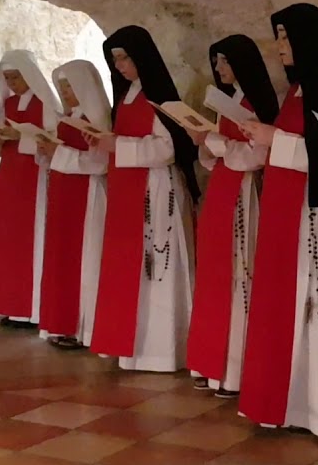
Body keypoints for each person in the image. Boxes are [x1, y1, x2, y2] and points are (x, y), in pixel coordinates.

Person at [238, 3, 318, 439]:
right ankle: (281, 400)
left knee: (313, 309)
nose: (279, 47)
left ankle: (317, 410)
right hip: (282, 209)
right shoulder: (296, 91)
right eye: (277, 37)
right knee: (280, 306)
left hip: (314, 212)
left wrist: (277, 139)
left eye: (287, 38)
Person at [86, 25, 200, 372]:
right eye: (114, 59)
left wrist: (117, 145)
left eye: (124, 57)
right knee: (132, 272)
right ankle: (133, 346)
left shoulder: (157, 95)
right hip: (130, 193)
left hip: (157, 191)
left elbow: (168, 149)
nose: (118, 65)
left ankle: (163, 352)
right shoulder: (126, 96)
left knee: (158, 270)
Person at [185, 35, 280, 398]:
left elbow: (257, 154)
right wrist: (205, 142)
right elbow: (217, 155)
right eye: (217, 62)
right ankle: (212, 364)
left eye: (225, 61)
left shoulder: (254, 102)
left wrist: (214, 142)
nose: (220, 68)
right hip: (222, 191)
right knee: (216, 274)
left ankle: (235, 370)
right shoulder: (227, 104)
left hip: (244, 193)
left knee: (240, 275)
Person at [37, 59, 112, 350]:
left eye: (69, 86)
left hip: (87, 193)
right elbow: (55, 157)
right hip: (63, 195)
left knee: (85, 258)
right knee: (61, 258)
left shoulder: (98, 118)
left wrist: (60, 152)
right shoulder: (66, 118)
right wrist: (47, 150)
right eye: (61, 87)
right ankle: (61, 323)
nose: (65, 92)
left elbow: (99, 163)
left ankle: (83, 326)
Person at [0, 50, 61, 330]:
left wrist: (24, 137)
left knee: (32, 235)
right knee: (7, 236)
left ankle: (31, 308)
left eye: (16, 77)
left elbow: (52, 138)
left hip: (34, 174)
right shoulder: (8, 103)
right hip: (9, 174)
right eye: (7, 79)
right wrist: (0, 136)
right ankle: (10, 304)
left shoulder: (44, 102)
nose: (12, 83)